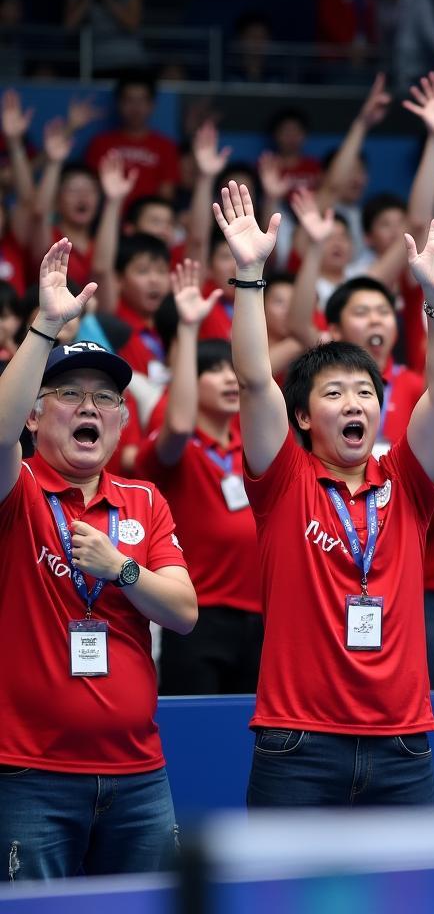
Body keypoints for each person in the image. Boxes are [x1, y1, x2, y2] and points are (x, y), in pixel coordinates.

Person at [213, 180, 434, 807]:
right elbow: (255, 380)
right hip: (298, 744)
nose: (354, 402)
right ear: (303, 418)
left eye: (365, 392)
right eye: (333, 393)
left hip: (403, 744)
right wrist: (251, 273)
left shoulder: (409, 484)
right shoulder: (284, 479)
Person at [0, 240, 196, 880]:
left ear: (121, 422)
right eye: (69, 394)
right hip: (32, 774)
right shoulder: (19, 490)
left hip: (140, 776)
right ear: (34, 414)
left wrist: (122, 569)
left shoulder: (144, 499)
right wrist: (45, 327)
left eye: (106, 399)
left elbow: (185, 612)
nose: (91, 407)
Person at [134, 260, 262, 694]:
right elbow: (181, 424)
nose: (228, 378)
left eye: (231, 369)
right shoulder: (173, 449)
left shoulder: (253, 445)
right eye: (213, 371)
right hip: (196, 615)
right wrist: (188, 330)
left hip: (261, 613)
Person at [85, 73, 179, 203]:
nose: (136, 108)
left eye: (141, 100)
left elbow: (166, 193)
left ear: (152, 105)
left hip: (148, 220)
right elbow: (90, 188)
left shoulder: (166, 146)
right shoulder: (100, 143)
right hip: (107, 217)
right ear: (118, 103)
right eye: (129, 100)